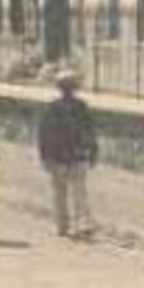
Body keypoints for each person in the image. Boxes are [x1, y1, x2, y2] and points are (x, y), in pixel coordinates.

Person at [37, 68, 98, 240]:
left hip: (63, 156)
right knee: (76, 191)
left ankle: (65, 225)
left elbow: (44, 134)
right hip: (72, 155)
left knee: (62, 192)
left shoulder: (54, 108)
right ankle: (77, 224)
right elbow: (90, 131)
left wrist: (45, 156)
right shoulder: (79, 107)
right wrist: (93, 150)